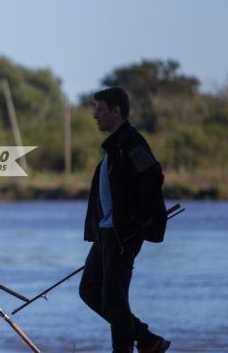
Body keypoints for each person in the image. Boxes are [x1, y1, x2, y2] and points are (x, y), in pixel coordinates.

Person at [79, 87, 170, 353]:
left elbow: (152, 175)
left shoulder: (131, 141)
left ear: (116, 111)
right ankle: (147, 339)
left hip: (122, 234)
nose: (95, 115)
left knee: (114, 300)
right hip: (106, 233)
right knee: (90, 291)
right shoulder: (114, 146)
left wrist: (135, 223)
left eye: (100, 108)